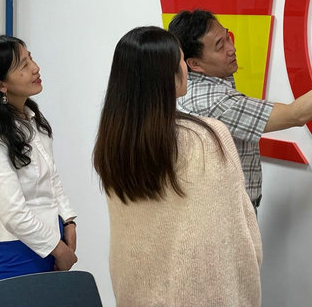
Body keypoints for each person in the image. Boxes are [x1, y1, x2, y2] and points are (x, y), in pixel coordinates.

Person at [93, 26, 261, 307]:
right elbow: (239, 232)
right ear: (168, 75)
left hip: (136, 294)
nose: (186, 68)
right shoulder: (208, 137)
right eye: (182, 60)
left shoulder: (114, 143)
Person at [168, 9, 312, 209]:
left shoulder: (186, 87)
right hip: (226, 215)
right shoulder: (213, 101)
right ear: (195, 64)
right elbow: (296, 115)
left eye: (227, 37)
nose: (231, 49)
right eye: (219, 46)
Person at [0, 35, 77, 283]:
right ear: (1, 84)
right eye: (24, 65)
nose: (35, 68)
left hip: (52, 243)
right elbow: (13, 212)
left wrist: (68, 220)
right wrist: (58, 249)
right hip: (17, 256)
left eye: (30, 58)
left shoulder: (32, 119)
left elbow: (52, 178)